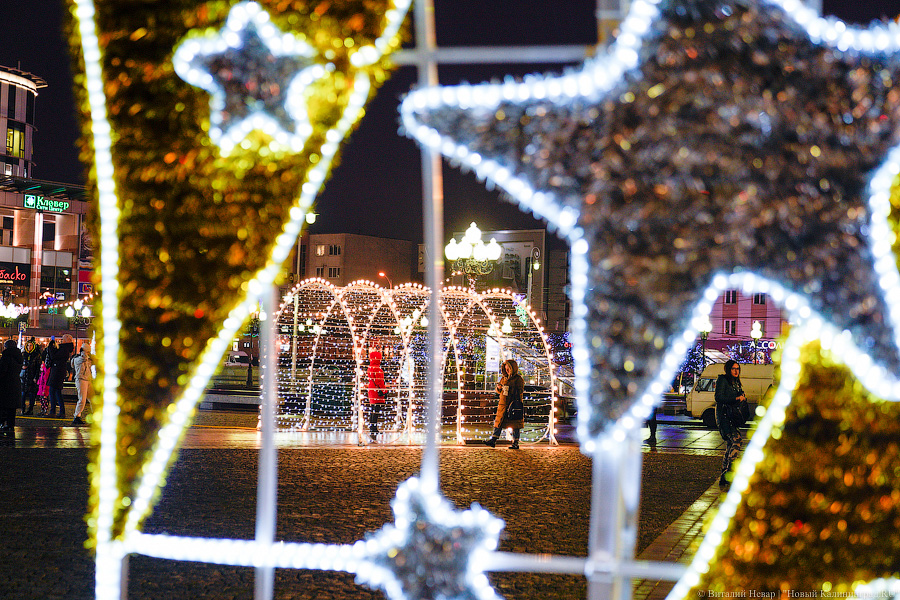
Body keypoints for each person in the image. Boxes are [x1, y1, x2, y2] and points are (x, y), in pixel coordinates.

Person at [714, 360, 746, 489]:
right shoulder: (723, 380)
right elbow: (718, 397)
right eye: (733, 368)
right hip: (724, 417)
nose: (736, 371)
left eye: (737, 368)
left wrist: (741, 396)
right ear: (728, 369)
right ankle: (729, 473)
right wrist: (736, 399)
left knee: (730, 445)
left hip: (732, 417)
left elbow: (736, 395)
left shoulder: (736, 382)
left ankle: (724, 476)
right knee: (737, 441)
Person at [484, 359, 525, 450]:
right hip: (503, 404)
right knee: (499, 422)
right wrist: (499, 388)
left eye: (508, 369)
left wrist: (510, 389)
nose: (507, 371)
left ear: (513, 369)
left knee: (515, 424)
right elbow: (499, 391)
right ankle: (493, 440)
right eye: (505, 369)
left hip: (513, 405)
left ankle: (515, 442)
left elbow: (520, 391)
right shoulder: (503, 378)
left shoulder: (518, 379)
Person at [48, 334, 75, 419]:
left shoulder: (64, 349)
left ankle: (53, 411)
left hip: (57, 371)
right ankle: (61, 411)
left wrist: (51, 348)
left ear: (68, 340)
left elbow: (54, 356)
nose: (61, 340)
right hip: (58, 371)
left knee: (52, 391)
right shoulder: (65, 348)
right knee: (57, 392)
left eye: (63, 339)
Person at [0, 340, 24, 434]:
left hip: (6, 384)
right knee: (12, 408)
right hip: (15, 383)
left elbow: (2, 371)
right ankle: (11, 424)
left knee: (4, 405)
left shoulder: (6, 357)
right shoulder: (18, 357)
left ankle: (3, 423)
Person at [366, 348, 387, 440]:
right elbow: (380, 382)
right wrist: (384, 391)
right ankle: (374, 428)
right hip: (377, 391)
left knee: (373, 409)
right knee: (376, 410)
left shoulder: (370, 368)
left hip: (371, 389)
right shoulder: (378, 370)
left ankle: (372, 427)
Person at [71, 344, 93, 426]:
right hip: (81, 379)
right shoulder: (78, 359)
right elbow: (83, 358)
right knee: (82, 399)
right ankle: (76, 416)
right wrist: (84, 352)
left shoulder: (86, 359)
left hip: (88, 379)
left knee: (92, 399)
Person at [20, 337, 41, 415]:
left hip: (31, 376)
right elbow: (19, 363)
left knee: (32, 394)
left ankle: (30, 409)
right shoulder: (23, 354)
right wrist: (22, 367)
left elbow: (38, 367)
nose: (29, 347)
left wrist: (36, 377)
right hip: (23, 377)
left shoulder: (36, 355)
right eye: (28, 345)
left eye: (31, 345)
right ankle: (22, 408)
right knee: (23, 394)